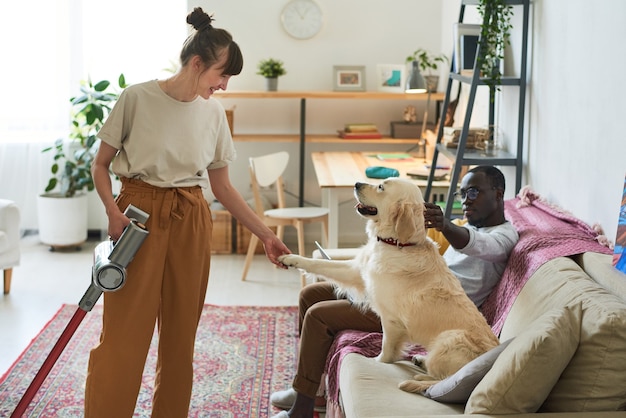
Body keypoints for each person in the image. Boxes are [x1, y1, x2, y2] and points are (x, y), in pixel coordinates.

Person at [85, 8, 291, 418]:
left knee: (181, 338)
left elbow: (223, 187)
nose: (224, 86)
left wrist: (265, 234)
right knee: (124, 335)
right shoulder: (137, 98)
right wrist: (111, 210)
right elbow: (100, 164)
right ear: (197, 64)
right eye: (221, 74)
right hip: (137, 217)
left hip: (192, 217)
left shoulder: (212, 113)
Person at [270, 165, 519, 418]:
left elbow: (484, 246)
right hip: (412, 291)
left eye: (474, 192)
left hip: (426, 309)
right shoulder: (468, 226)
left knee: (318, 315)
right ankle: (311, 386)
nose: (466, 200)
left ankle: (300, 410)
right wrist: (302, 262)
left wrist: (445, 225)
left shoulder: (503, 236)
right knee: (310, 295)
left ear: (498, 194)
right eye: (462, 194)